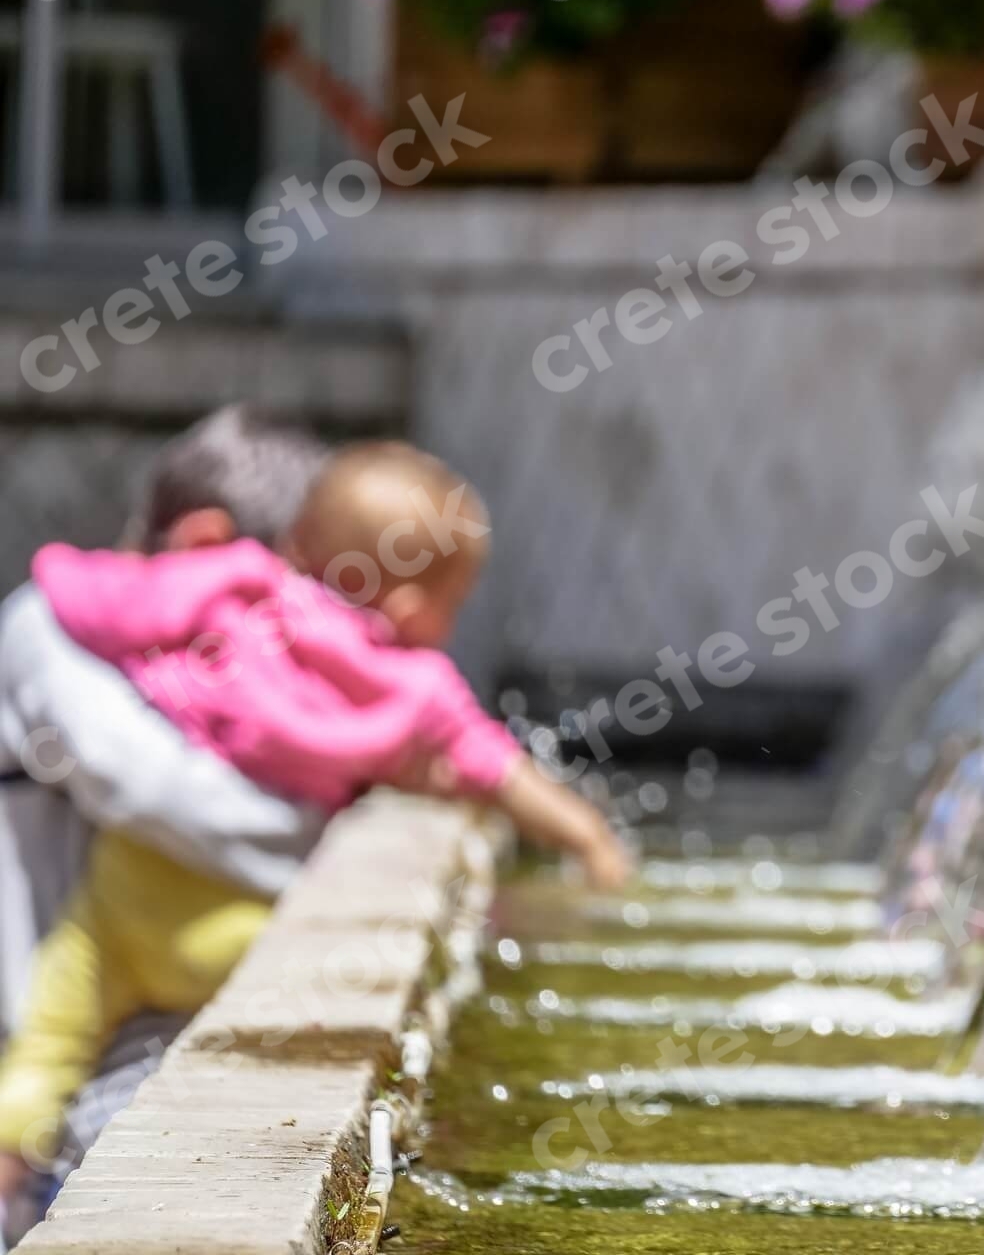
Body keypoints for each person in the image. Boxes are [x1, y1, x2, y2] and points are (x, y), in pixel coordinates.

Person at [0, 438, 630, 1230]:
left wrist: (60, 571)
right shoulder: (411, 688)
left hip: (124, 890)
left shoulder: (233, 587)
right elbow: (497, 768)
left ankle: (10, 1173)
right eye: (456, 604)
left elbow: (97, 596)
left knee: (47, 1042)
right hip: (235, 923)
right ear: (410, 609)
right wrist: (590, 840)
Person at [0, 407, 332, 1244]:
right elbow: (146, 789)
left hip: (115, 1053)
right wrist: (338, 854)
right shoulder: (49, 625)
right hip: (35, 1062)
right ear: (201, 543)